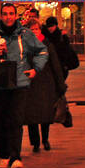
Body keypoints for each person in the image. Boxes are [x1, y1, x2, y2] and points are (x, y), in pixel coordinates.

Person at [0, 3, 48, 168]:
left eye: (11, 14)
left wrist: (35, 69)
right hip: (0, 84)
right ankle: (4, 155)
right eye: (5, 14)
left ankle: (16, 157)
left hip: (20, 83)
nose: (8, 17)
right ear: (1, 15)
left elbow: (42, 51)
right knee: (2, 120)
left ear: (16, 16)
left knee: (16, 120)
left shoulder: (25, 34)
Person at [25, 16, 70, 153]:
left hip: (46, 83)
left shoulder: (47, 44)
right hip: (30, 83)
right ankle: (35, 142)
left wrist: (60, 84)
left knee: (45, 113)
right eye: (31, 29)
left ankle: (45, 139)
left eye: (36, 29)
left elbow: (55, 64)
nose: (34, 31)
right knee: (31, 115)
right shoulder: (24, 46)